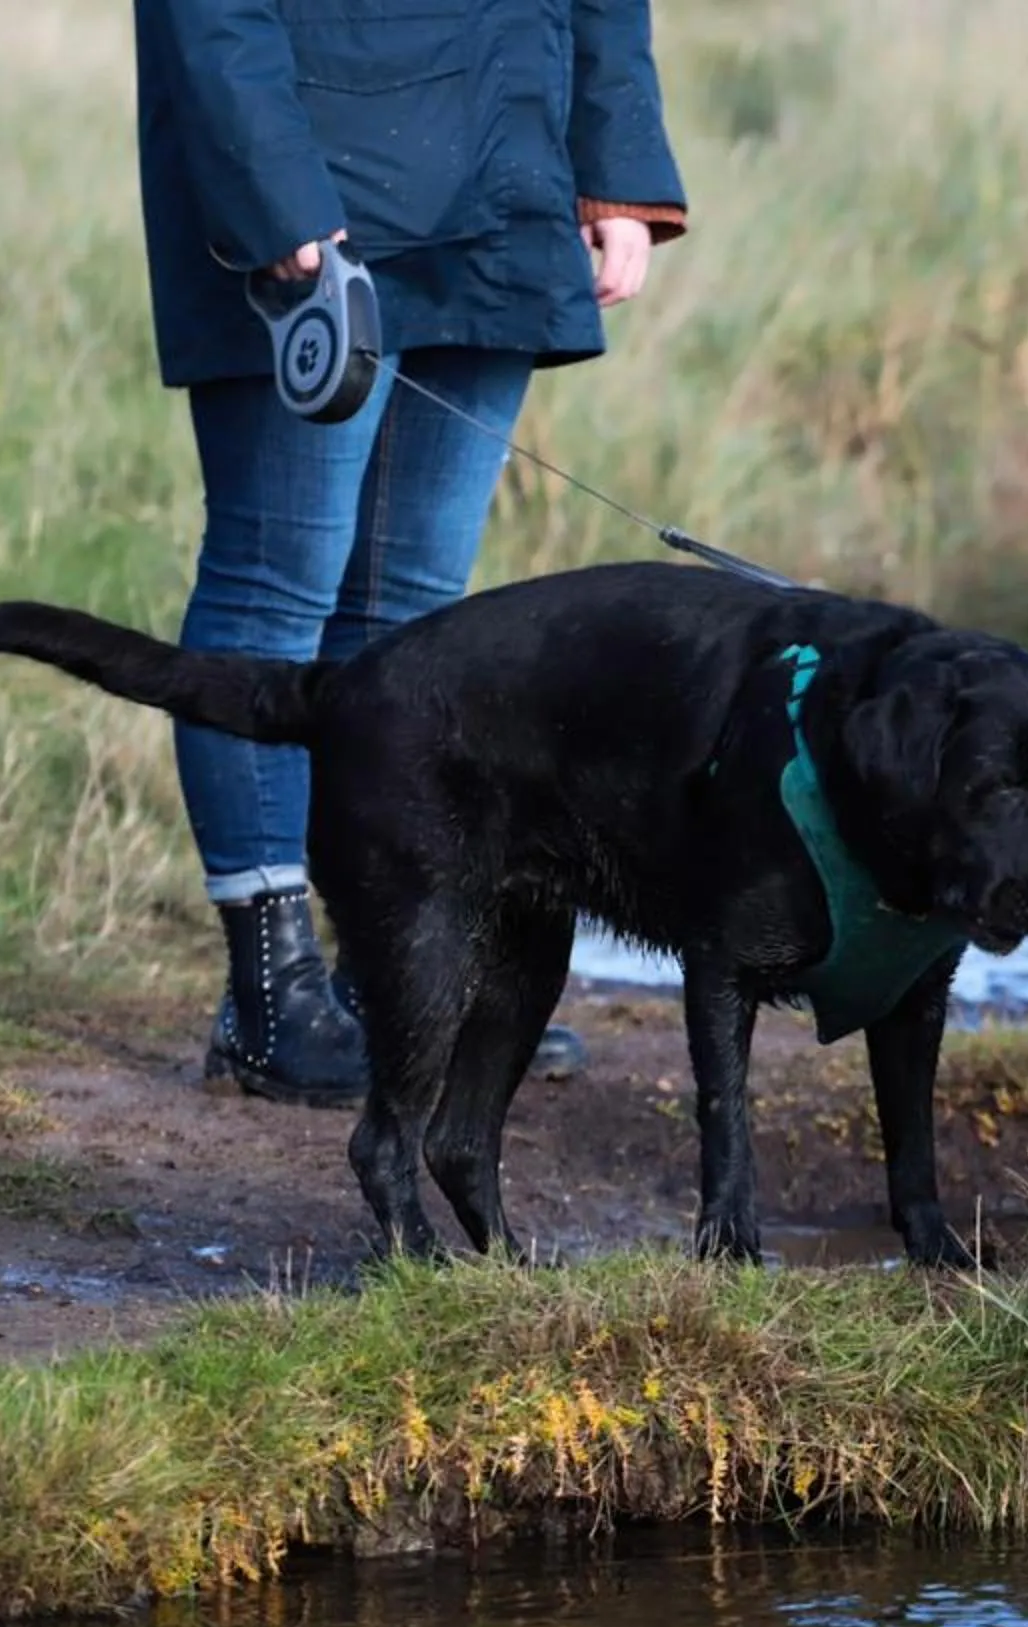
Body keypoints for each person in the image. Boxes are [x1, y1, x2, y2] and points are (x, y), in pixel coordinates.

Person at [129, 0, 686, 1105]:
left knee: (419, 610)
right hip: (314, 192)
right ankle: (270, 1000)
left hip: (509, 177)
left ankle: (386, 975)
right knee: (275, 588)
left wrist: (617, 170)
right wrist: (270, 187)